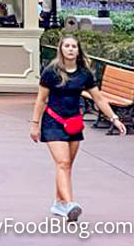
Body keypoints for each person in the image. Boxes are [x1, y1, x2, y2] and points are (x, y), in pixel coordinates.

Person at [29, 35, 127, 222]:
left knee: (66, 166)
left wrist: (114, 118)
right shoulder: (51, 72)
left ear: (78, 50)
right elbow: (41, 100)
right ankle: (70, 204)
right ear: (61, 49)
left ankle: (59, 202)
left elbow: (98, 98)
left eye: (74, 46)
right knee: (62, 163)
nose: (71, 49)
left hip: (74, 123)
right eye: (67, 46)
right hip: (53, 122)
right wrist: (35, 124)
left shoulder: (84, 74)